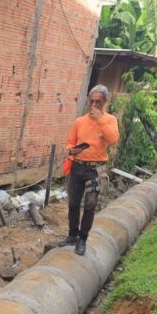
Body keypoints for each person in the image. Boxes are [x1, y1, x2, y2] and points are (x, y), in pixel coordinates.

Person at [52, 85, 119, 257]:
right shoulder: (79, 122)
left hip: (94, 170)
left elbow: (112, 139)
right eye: (92, 101)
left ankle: (83, 239)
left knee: (89, 205)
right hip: (77, 166)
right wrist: (72, 149)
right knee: (73, 203)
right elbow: (69, 142)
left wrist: (100, 120)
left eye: (98, 102)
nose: (94, 105)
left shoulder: (109, 120)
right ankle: (72, 235)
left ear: (104, 102)